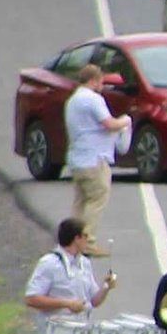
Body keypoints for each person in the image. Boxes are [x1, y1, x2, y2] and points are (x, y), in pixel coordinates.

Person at [62, 64, 128, 246]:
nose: (102, 86)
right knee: (97, 197)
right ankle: (87, 240)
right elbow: (109, 124)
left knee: (81, 201)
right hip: (94, 158)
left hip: (77, 159)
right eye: (101, 82)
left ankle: (71, 240)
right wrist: (124, 121)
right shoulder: (93, 99)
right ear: (93, 80)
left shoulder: (73, 100)